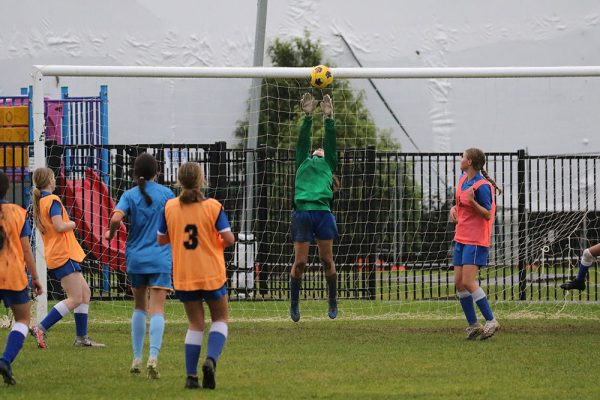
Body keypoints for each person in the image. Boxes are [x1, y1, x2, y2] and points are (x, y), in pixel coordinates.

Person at [157, 162, 234, 390]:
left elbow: (161, 239)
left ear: (179, 182)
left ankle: (191, 377)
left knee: (195, 324)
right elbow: (228, 238)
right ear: (202, 180)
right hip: (211, 272)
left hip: (185, 274)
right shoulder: (213, 206)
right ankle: (211, 359)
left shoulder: (169, 207)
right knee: (220, 319)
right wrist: (214, 243)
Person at [105, 153, 174, 378]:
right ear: (158, 172)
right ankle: (153, 357)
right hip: (160, 258)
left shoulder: (129, 195)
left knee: (139, 307)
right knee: (157, 310)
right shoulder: (167, 194)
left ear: (135, 173)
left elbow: (116, 219)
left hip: (136, 258)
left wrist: (111, 232)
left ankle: (136, 357)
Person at [30, 167, 104, 348]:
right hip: (63, 254)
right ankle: (41, 327)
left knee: (85, 293)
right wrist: (72, 223)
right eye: (53, 178)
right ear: (49, 180)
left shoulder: (40, 202)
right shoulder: (52, 200)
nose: (55, 181)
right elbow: (59, 226)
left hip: (59, 254)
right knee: (76, 297)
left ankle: (81, 339)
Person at [289, 93, 339, 322]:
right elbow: (302, 140)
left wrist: (328, 118)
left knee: (327, 261)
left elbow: (330, 140)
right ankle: (295, 304)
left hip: (323, 213)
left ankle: (332, 300)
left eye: (322, 149)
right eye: (316, 149)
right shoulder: (303, 161)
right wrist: (308, 115)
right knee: (300, 263)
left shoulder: (329, 163)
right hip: (303, 213)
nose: (319, 149)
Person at [449, 148, 501, 340]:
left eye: (462, 156)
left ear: (469, 162)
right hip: (461, 237)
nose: (460, 159)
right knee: (459, 283)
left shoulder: (483, 186)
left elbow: (488, 214)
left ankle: (491, 320)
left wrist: (471, 203)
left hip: (476, 240)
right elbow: (460, 204)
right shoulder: (463, 179)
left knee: (469, 282)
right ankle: (473, 325)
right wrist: (454, 209)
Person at [0, 171, 43, 385]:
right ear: (7, 188)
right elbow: (27, 250)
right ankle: (5, 361)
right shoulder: (17, 213)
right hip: (12, 273)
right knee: (23, 320)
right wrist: (35, 277)